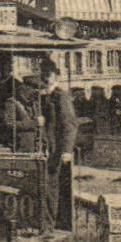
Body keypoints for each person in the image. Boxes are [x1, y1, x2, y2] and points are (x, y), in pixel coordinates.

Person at [43, 62, 78, 231]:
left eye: (48, 74)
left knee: (50, 187)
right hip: (45, 148)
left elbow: (69, 124)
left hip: (55, 150)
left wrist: (66, 150)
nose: (44, 77)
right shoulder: (45, 95)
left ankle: (49, 225)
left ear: (56, 76)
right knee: (43, 186)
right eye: (43, 73)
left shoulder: (60, 96)